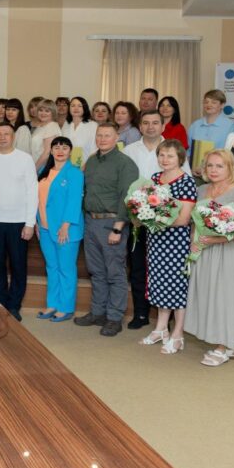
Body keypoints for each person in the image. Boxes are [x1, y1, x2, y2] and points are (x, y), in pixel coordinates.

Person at [124, 110, 191, 329]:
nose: (150, 126)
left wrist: (163, 218)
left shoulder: (173, 149)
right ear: (139, 126)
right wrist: (136, 212)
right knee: (139, 268)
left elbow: (185, 188)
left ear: (163, 126)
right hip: (138, 221)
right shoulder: (129, 150)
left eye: (155, 123)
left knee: (168, 273)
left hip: (169, 226)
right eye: (146, 123)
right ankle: (141, 314)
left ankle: (169, 322)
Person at [184, 150, 234, 366]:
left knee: (225, 297)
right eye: (210, 165)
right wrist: (195, 241)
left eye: (219, 166)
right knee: (209, 295)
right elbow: (195, 220)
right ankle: (225, 342)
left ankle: (224, 345)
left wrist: (213, 240)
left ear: (230, 168)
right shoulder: (202, 190)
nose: (213, 170)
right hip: (204, 251)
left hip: (227, 253)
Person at [76, 123, 138, 336]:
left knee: (115, 272)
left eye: (107, 135)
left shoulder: (125, 163)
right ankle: (98, 312)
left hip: (112, 223)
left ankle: (114, 317)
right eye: (99, 135)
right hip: (91, 221)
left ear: (116, 137)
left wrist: (118, 228)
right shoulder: (92, 161)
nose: (102, 139)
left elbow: (127, 197)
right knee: (96, 271)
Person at [138, 139, 197, 355]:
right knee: (159, 283)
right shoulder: (155, 179)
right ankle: (161, 328)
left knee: (177, 287)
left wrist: (154, 220)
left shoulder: (186, 182)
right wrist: (142, 215)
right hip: (156, 240)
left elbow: (183, 219)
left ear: (180, 158)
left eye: (170, 156)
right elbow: (146, 206)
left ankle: (178, 333)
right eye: (161, 155)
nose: (165, 159)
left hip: (177, 242)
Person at [0, 123, 36, 320]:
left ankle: (14, 305)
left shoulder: (25, 159)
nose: (2, 137)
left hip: (18, 222)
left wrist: (30, 223)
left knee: (18, 265)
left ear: (13, 137)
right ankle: (1, 303)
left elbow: (32, 191)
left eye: (6, 134)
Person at [34, 137, 84, 323]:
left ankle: (65, 307)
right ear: (51, 151)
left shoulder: (74, 173)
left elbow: (74, 201)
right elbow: (38, 199)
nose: (60, 151)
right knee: (52, 267)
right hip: (45, 229)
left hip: (66, 230)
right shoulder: (44, 171)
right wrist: (37, 222)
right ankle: (52, 304)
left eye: (64, 147)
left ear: (70, 151)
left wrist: (65, 226)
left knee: (66, 269)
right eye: (56, 147)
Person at [188, 89, 234, 172]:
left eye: (214, 102)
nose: (209, 105)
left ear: (222, 105)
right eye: (206, 102)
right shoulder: (195, 125)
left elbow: (230, 152)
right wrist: (191, 168)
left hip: (218, 171)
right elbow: (188, 150)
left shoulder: (230, 125)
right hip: (195, 171)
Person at [61, 96, 98, 166]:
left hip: (87, 166)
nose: (76, 108)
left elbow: (95, 149)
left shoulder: (92, 125)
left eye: (79, 106)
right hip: (67, 166)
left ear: (84, 108)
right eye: (73, 106)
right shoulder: (66, 124)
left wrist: (85, 167)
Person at [31, 99, 61, 171]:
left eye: (47, 111)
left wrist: (34, 169)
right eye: (41, 110)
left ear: (53, 113)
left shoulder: (51, 126)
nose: (43, 113)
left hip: (44, 168)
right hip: (37, 165)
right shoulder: (40, 126)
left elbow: (47, 153)